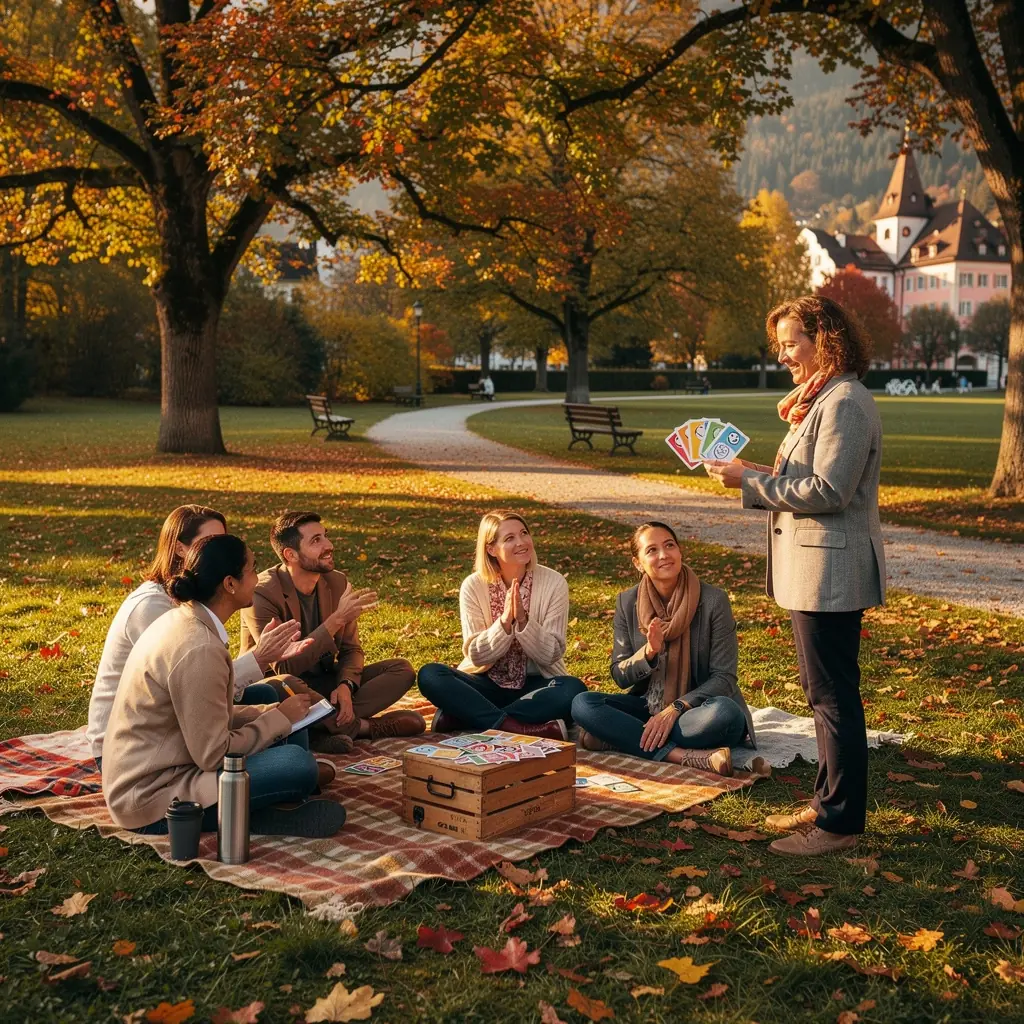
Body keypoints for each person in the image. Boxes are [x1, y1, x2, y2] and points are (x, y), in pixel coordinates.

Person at [704, 295, 884, 857]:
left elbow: (830, 492)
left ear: (823, 339)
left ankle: (839, 826)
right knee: (821, 692)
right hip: (814, 569)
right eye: (779, 345)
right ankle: (827, 802)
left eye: (790, 343)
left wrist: (748, 484)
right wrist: (752, 473)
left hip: (831, 570)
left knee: (832, 697)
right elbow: (807, 478)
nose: (782, 355)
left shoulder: (845, 401)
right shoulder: (820, 399)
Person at [102, 534, 346, 838]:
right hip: (153, 800)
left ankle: (271, 804)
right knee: (297, 764)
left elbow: (206, 710)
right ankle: (263, 811)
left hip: (168, 763)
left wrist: (269, 712)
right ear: (230, 584)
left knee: (276, 705)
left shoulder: (186, 619)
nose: (259, 578)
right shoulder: (199, 648)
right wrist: (278, 719)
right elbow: (214, 754)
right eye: (253, 569)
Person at [87, 505, 313, 764]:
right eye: (211, 541)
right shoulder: (153, 608)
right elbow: (193, 682)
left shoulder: (200, 601)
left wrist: (262, 661)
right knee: (291, 753)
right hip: (133, 747)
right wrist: (260, 659)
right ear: (182, 549)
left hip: (173, 719)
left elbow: (203, 679)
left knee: (269, 694)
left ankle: (286, 770)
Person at [571, 522, 754, 776]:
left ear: (680, 551)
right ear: (638, 563)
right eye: (652, 550)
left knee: (725, 714)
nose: (664, 555)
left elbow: (724, 678)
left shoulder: (714, 600)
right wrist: (648, 653)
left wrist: (676, 708)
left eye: (669, 545)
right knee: (583, 704)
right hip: (648, 707)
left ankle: (622, 736)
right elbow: (620, 675)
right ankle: (680, 755)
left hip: (698, 712)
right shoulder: (628, 602)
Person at [240, 511, 424, 751]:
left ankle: (318, 726)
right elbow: (284, 667)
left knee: (401, 669)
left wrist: (347, 685)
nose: (329, 545)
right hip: (282, 691)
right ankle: (366, 728)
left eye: (325, 536)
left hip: (325, 683)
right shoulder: (263, 593)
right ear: (290, 554)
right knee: (283, 683)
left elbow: (351, 649)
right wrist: (336, 620)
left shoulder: (337, 582)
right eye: (316, 541)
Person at [417, 510, 587, 739]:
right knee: (430, 675)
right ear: (491, 549)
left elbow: (551, 655)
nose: (522, 542)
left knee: (573, 691)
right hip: (484, 683)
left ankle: (467, 716)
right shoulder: (473, 586)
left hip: (535, 686)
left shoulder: (554, 582)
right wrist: (505, 622)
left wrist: (524, 622)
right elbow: (476, 656)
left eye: (524, 533)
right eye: (510, 538)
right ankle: (514, 726)